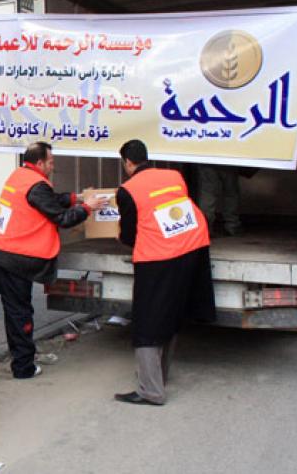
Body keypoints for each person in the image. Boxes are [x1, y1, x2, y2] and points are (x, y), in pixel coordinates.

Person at [0, 142, 106, 379]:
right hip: (14, 258)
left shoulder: (20, 176)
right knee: (19, 312)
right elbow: (63, 218)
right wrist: (87, 207)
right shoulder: (36, 186)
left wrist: (76, 198)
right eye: (51, 162)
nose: (53, 166)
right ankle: (23, 367)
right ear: (40, 163)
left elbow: (48, 200)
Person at [114, 139, 216, 406]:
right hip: (193, 246)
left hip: (159, 257)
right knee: (170, 315)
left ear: (128, 163)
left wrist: (119, 236)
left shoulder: (127, 190)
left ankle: (151, 391)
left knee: (146, 323)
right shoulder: (173, 176)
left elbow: (129, 235)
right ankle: (159, 377)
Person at [197, 165, 242, 237]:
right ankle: (232, 226)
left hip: (208, 161)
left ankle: (205, 227)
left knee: (208, 194)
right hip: (230, 162)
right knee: (231, 194)